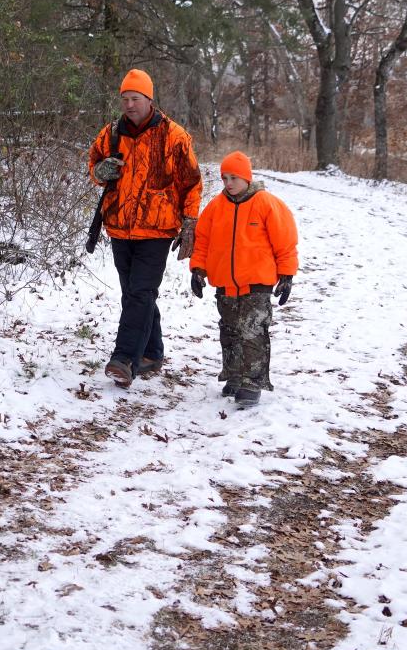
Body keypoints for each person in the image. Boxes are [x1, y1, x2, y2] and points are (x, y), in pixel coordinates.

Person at [88, 68, 202, 387]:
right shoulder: (111, 134)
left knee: (140, 292)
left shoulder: (173, 136)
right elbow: (94, 167)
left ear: (149, 99)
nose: (128, 105)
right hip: (119, 227)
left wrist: (190, 222)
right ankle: (152, 352)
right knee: (134, 293)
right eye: (124, 99)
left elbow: (192, 182)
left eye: (134, 99)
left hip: (158, 230)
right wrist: (101, 171)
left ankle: (125, 359)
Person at [188, 151, 298, 408]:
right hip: (225, 284)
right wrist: (198, 270)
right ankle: (235, 375)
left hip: (257, 284)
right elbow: (203, 242)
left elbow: (285, 242)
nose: (228, 183)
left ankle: (252, 382)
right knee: (230, 331)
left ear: (247, 177)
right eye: (224, 177)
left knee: (252, 332)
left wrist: (287, 274)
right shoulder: (216, 207)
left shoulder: (267, 203)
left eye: (234, 177)